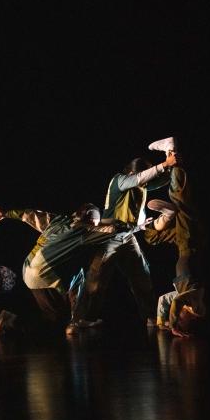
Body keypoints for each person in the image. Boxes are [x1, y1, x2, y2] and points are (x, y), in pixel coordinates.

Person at [69, 141, 178, 333]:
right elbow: (140, 178)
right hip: (110, 236)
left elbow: (161, 179)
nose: (145, 183)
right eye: (142, 176)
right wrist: (164, 165)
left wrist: (173, 161)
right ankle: (80, 320)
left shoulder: (141, 186)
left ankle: (151, 316)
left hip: (128, 237)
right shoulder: (119, 180)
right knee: (96, 280)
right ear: (132, 172)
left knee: (142, 275)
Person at [0, 201, 136, 332]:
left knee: (76, 277)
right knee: (55, 320)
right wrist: (137, 226)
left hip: (28, 268)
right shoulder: (83, 231)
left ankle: (76, 319)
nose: (94, 227)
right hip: (44, 272)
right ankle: (11, 321)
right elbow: (113, 230)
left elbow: (30, 214)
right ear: (88, 222)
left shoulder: (57, 220)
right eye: (93, 224)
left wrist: (5, 213)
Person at [143, 137, 206, 338]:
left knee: (151, 238)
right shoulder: (196, 306)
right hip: (190, 245)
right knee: (182, 202)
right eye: (179, 318)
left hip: (184, 247)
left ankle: (167, 216)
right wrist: (171, 325)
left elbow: (165, 300)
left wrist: (164, 324)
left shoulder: (184, 301)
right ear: (186, 319)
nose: (177, 315)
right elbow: (175, 303)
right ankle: (172, 151)